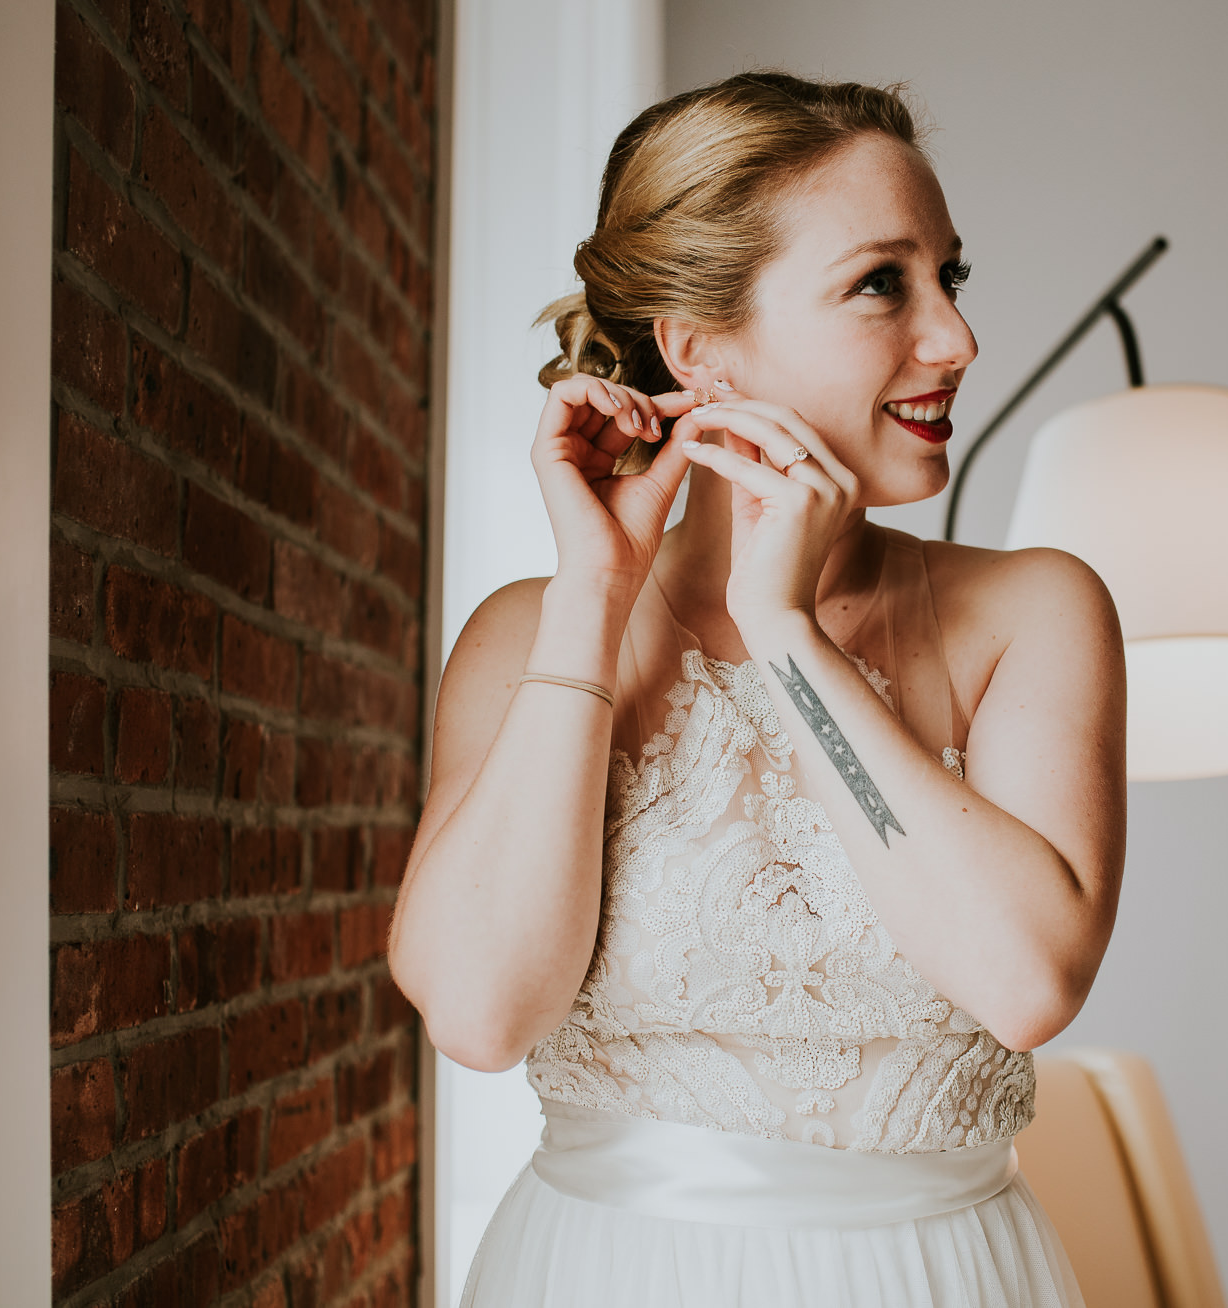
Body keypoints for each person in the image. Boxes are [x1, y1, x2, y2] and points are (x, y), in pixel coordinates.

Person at [388, 71, 1126, 1307]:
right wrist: (593, 593)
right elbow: (476, 1013)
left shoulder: (1037, 612)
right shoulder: (531, 634)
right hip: (603, 1275)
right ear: (696, 347)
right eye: (881, 283)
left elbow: (1024, 982)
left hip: (939, 1276)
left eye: (950, 277)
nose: (954, 338)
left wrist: (783, 636)